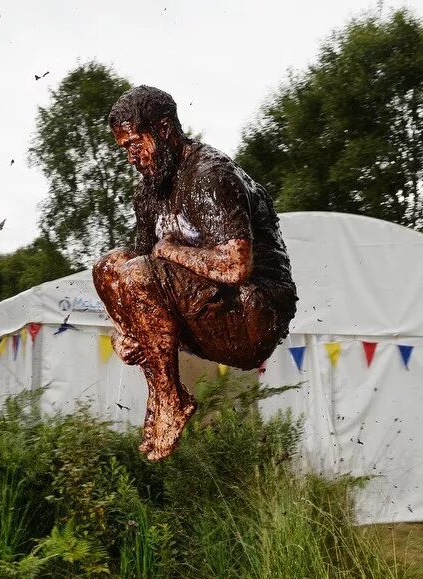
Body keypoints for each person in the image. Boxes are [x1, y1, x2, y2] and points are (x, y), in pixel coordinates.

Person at [92, 85, 298, 461]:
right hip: (203, 313)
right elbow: (132, 276)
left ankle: (170, 397)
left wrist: (170, 249)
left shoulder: (209, 175)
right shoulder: (148, 195)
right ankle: (165, 392)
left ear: (165, 129)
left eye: (136, 144)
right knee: (109, 268)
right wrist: (125, 331)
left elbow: (236, 266)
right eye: (125, 149)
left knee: (139, 272)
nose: (132, 158)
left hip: (252, 314)